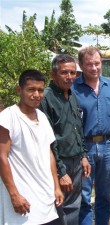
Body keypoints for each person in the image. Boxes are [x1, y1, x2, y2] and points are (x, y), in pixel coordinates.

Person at [0, 69, 64, 225]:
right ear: (19, 90)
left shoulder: (42, 117)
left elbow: (48, 153)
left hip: (47, 200)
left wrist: (56, 187)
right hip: (23, 202)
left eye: (40, 90)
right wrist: (14, 195)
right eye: (31, 89)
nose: (36, 94)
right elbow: (2, 156)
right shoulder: (8, 117)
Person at [39, 54, 91, 225]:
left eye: (73, 73)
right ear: (53, 75)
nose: (69, 77)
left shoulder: (71, 95)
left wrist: (83, 155)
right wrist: (61, 172)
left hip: (76, 160)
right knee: (60, 208)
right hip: (59, 163)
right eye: (64, 73)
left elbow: (77, 128)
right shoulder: (46, 98)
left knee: (74, 207)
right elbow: (47, 139)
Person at [72, 46, 110, 225]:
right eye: (89, 64)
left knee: (104, 195)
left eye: (97, 63)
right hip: (85, 147)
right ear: (81, 65)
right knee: (84, 196)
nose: (94, 68)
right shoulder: (74, 88)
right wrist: (81, 152)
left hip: (107, 145)